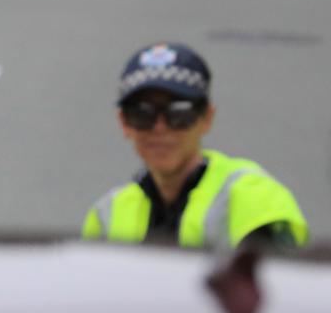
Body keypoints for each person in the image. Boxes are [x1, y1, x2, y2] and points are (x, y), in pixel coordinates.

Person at [82, 42, 307, 249]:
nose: (160, 128)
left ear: (206, 118)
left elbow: (276, 288)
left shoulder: (253, 196)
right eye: (142, 114)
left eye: (179, 113)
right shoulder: (106, 214)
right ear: (123, 122)